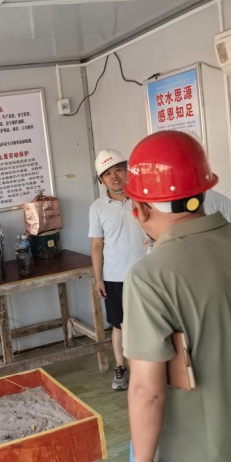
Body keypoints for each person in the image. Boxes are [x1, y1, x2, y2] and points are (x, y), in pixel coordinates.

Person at [122, 131, 231, 462]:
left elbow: (148, 390)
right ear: (202, 191)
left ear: (140, 208)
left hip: (197, 461)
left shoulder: (149, 276)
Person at [88, 149, 147, 390]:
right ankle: (121, 368)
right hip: (114, 276)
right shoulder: (97, 208)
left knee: (145, 324)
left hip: (145, 274)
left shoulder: (142, 197)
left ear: (126, 170)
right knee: (119, 324)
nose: (114, 177)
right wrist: (98, 279)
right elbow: (96, 245)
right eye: (107, 174)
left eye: (118, 170)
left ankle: (145, 370)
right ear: (101, 180)